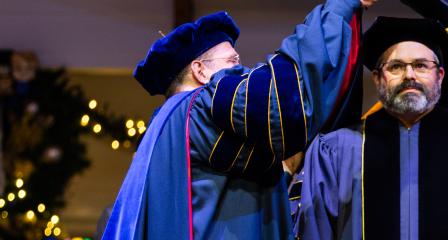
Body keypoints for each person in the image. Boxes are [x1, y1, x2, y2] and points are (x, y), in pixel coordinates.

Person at [102, 0, 375, 238]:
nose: (241, 71)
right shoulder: (199, 105)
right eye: (233, 61)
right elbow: (280, 98)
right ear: (199, 70)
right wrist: (338, 8)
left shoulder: (164, 125)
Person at [293, 17, 448, 240]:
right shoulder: (334, 151)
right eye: (396, 67)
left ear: (440, 76)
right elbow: (312, 229)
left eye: (421, 66)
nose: (409, 75)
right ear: (378, 78)